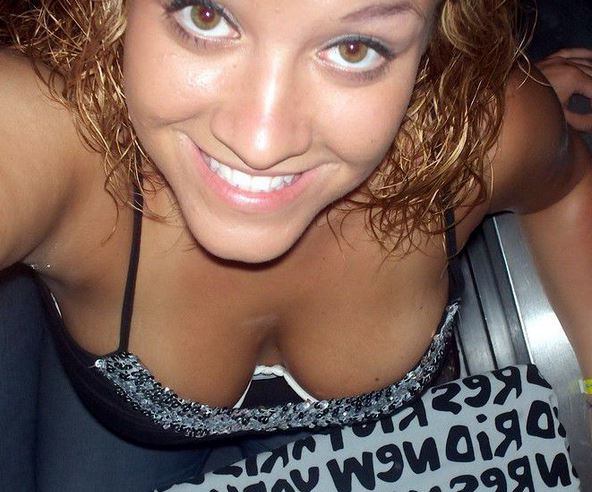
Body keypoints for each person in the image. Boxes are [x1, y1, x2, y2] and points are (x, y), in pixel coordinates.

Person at [0, 0, 590, 490]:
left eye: (354, 48)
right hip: (125, 430)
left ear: (434, 41)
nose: (261, 143)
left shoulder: (482, 138)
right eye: (206, 16)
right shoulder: (51, 134)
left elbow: (566, 191)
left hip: (343, 441)